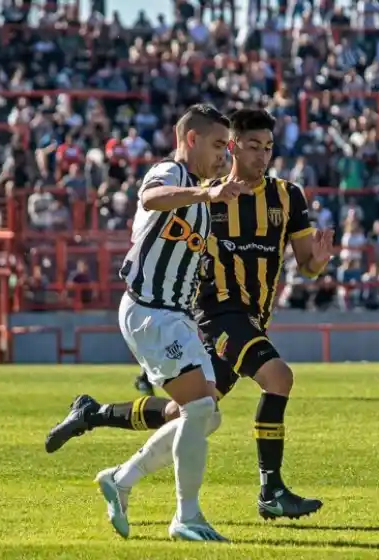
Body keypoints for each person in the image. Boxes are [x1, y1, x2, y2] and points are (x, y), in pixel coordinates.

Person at [46, 108, 335, 521]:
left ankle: (95, 418)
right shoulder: (202, 191)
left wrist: (317, 264)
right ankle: (267, 491)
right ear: (232, 146)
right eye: (252, 146)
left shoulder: (287, 196)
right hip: (215, 313)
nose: (262, 156)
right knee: (278, 377)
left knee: (189, 415)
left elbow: (306, 263)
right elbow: (155, 206)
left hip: (251, 318)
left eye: (268, 148)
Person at [98, 104, 239, 542]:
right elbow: (150, 198)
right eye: (218, 144)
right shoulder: (171, 173)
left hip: (174, 317)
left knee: (205, 415)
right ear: (191, 139)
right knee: (200, 409)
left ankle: (121, 480)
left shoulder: (199, 191)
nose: (223, 155)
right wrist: (208, 195)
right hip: (149, 310)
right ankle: (186, 517)